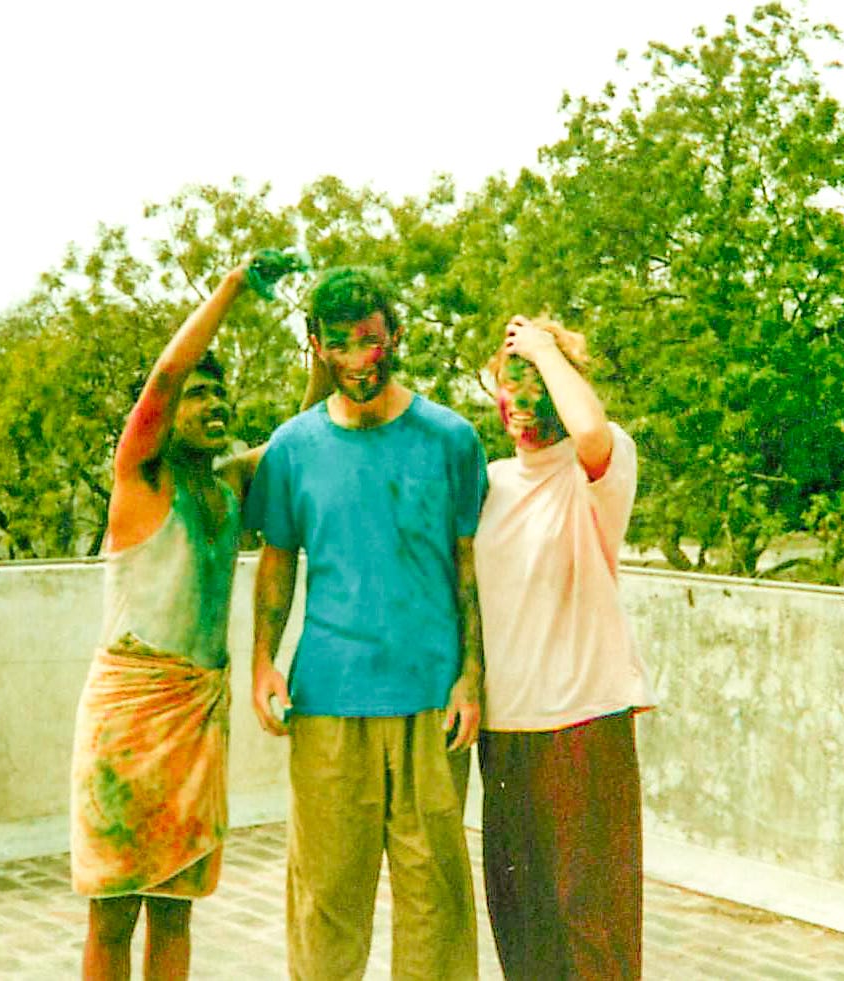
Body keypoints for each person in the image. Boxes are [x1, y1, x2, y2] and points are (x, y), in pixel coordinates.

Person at [70, 251, 323, 980]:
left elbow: (300, 433)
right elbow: (162, 379)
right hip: (130, 716)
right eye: (199, 398)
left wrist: (313, 352)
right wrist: (233, 286)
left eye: (222, 400)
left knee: (177, 901)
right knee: (114, 907)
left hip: (196, 717)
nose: (213, 408)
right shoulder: (141, 477)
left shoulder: (229, 485)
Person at [245, 266, 487, 980]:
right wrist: (263, 660)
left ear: (395, 335)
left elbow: (468, 571)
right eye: (341, 345)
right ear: (315, 345)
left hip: (430, 701)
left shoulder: (451, 437)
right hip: (326, 702)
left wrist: (471, 674)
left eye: (371, 341)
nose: (358, 360)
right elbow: (277, 562)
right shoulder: (291, 448)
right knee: (325, 902)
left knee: (434, 907)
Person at [474, 314, 657, 980]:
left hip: (584, 724)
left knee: (592, 920)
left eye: (535, 389)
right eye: (507, 388)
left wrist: (544, 349)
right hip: (505, 731)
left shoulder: (593, 468)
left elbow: (587, 429)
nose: (520, 406)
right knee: (522, 922)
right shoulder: (485, 483)